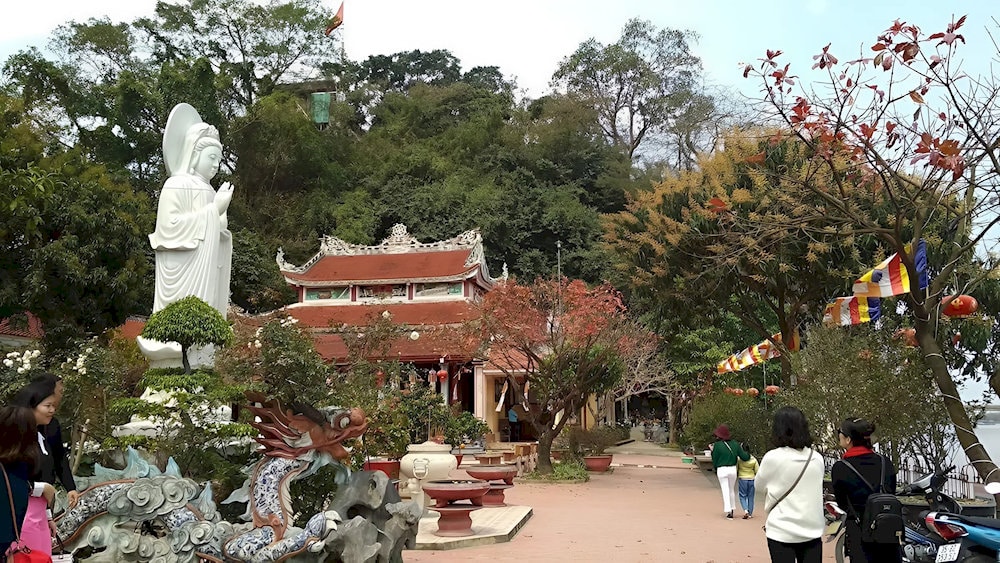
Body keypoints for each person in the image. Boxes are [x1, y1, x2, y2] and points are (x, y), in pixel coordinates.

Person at [755, 406, 825, 563]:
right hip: (812, 529)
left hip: (782, 530)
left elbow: (758, 487)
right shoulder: (817, 458)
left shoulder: (772, 458)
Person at [831, 417, 902, 563]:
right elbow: (891, 492)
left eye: (840, 432)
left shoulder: (841, 467)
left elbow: (842, 502)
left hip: (860, 533)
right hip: (888, 531)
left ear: (848, 439)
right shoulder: (885, 462)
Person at [11, 378, 66, 556]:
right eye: (47, 405)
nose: (52, 410)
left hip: (40, 516)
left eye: (54, 406)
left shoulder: (41, 436)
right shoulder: (17, 437)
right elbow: (11, 480)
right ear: (32, 405)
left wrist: (48, 516)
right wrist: (41, 488)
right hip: (22, 516)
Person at [0, 405, 55, 557]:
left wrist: (48, 516)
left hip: (37, 518)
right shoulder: (15, 468)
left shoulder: (20, 466)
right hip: (25, 525)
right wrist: (39, 488)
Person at [31, 374, 78, 506]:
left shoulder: (52, 424)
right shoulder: (17, 429)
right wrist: (39, 488)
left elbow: (59, 456)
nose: (61, 395)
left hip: (45, 498)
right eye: (60, 391)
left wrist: (70, 487)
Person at [710, 424, 750, 519]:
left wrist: (715, 468)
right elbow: (744, 457)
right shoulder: (735, 444)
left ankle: (729, 511)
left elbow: (714, 459)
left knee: (725, 489)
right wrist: (748, 453)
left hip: (722, 469)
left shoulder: (717, 446)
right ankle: (732, 508)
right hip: (732, 469)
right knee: (731, 489)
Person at [737, 442, 759, 519]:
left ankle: (745, 510)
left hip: (742, 478)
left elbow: (736, 468)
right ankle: (750, 513)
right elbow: (757, 471)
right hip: (752, 479)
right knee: (751, 497)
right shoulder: (753, 459)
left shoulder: (739, 459)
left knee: (742, 495)